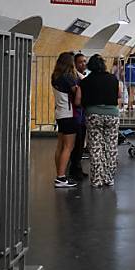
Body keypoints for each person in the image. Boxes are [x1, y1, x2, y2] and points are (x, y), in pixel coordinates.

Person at [79, 55, 123, 188]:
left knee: (95, 147)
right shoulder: (113, 79)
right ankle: (109, 178)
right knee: (111, 147)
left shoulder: (85, 81)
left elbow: (80, 99)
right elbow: (119, 95)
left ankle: (97, 179)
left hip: (93, 115)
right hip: (112, 115)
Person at [50, 52, 81, 189]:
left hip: (60, 113)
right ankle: (61, 178)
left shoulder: (55, 76)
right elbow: (76, 92)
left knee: (60, 146)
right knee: (68, 147)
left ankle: (59, 174)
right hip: (68, 114)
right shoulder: (68, 77)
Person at [68, 52, 90, 180]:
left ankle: (77, 168)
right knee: (77, 143)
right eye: (81, 62)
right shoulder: (75, 78)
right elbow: (77, 98)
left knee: (80, 143)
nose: (83, 64)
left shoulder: (80, 77)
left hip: (80, 114)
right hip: (76, 114)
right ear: (75, 64)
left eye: (85, 61)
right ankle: (74, 169)